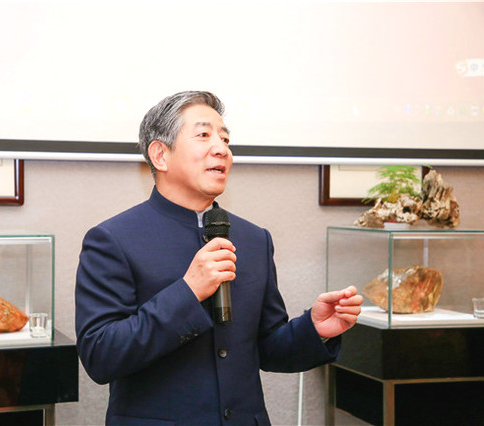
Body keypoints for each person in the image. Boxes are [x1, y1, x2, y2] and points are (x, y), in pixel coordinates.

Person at [75, 91, 363, 425]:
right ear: (160, 155)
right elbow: (101, 356)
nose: (222, 149)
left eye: (225, 139)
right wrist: (188, 291)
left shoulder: (254, 239)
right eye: (203, 135)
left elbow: (268, 348)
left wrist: (314, 330)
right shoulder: (113, 239)